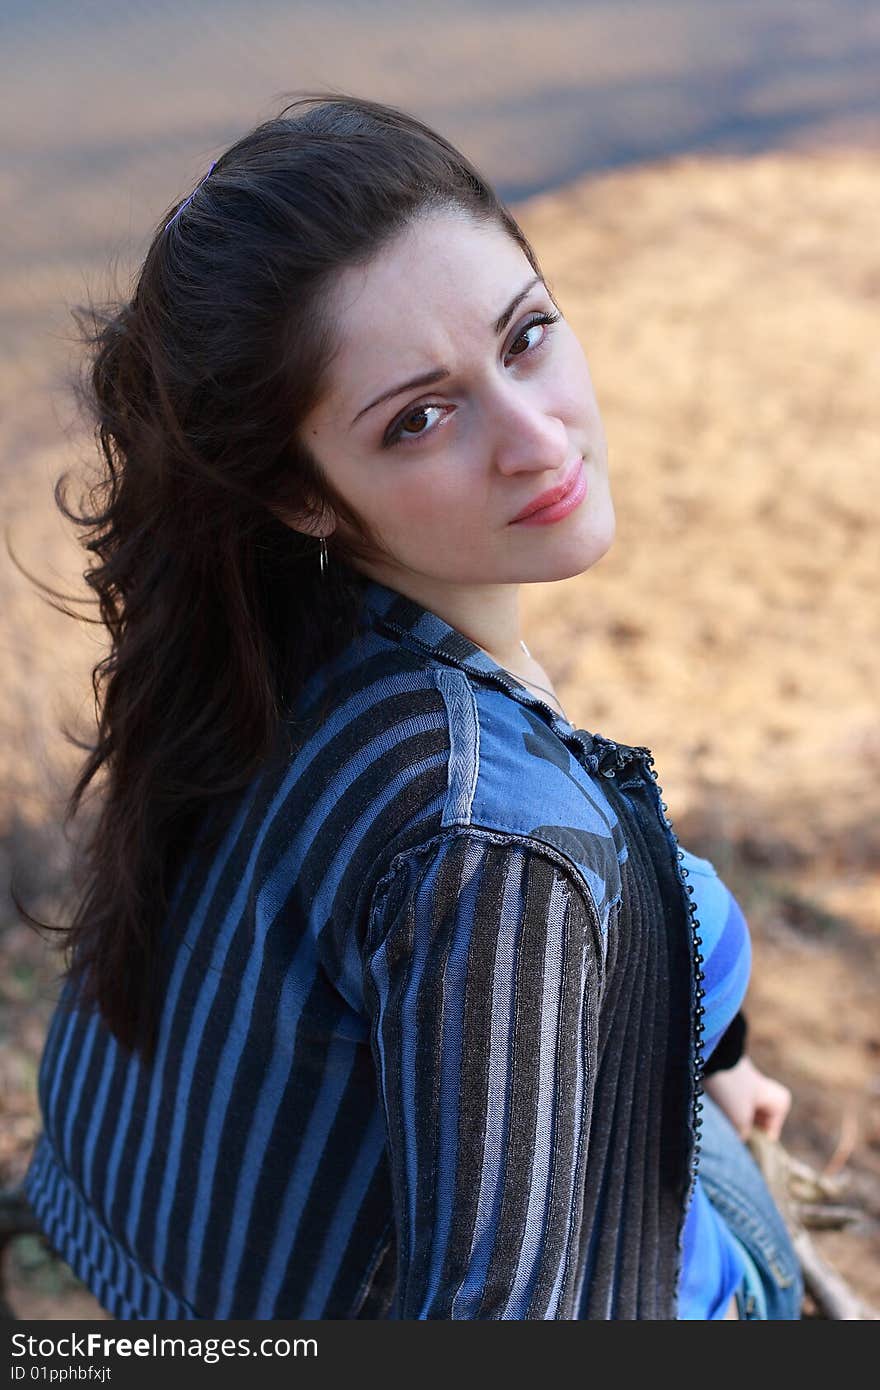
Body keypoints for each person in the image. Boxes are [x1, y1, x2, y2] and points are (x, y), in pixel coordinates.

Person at [18, 92, 802, 1320]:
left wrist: (712, 1051)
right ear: (302, 494)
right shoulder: (499, 848)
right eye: (421, 417)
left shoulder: (273, 655)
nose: (538, 439)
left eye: (527, 335)